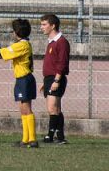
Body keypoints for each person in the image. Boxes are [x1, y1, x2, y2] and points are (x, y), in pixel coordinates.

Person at [0, 19, 38, 148]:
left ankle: (32, 139)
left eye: (13, 30)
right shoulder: (21, 44)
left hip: (24, 79)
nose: (12, 32)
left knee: (26, 109)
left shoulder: (22, 45)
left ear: (16, 32)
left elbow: (3, 54)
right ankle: (26, 139)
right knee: (23, 109)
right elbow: (5, 52)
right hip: (22, 79)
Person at [40, 14, 70, 144]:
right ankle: (61, 137)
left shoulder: (61, 42)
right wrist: (45, 82)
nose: (41, 27)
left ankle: (50, 136)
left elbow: (61, 63)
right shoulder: (51, 43)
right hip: (49, 78)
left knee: (52, 108)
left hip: (56, 78)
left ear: (53, 26)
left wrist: (56, 80)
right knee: (55, 108)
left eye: (44, 24)